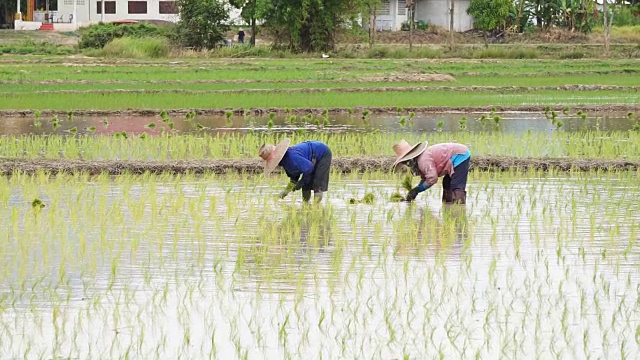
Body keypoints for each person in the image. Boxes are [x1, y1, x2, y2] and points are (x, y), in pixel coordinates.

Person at [392, 139, 470, 204]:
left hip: (460, 155)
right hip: (454, 156)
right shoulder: (419, 162)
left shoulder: (423, 160)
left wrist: (417, 190)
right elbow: (425, 178)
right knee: (447, 183)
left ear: (411, 158)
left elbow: (432, 178)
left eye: (406, 162)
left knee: (456, 185)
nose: (407, 165)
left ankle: (459, 210)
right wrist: (416, 190)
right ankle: (448, 206)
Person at [259, 139, 332, 203]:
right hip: (310, 159)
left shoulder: (292, 157)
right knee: (306, 185)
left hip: (322, 153)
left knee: (317, 183)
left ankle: (316, 208)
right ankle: (306, 205)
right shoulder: (285, 162)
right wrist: (284, 194)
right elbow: (294, 179)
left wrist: (300, 183)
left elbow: (309, 168)